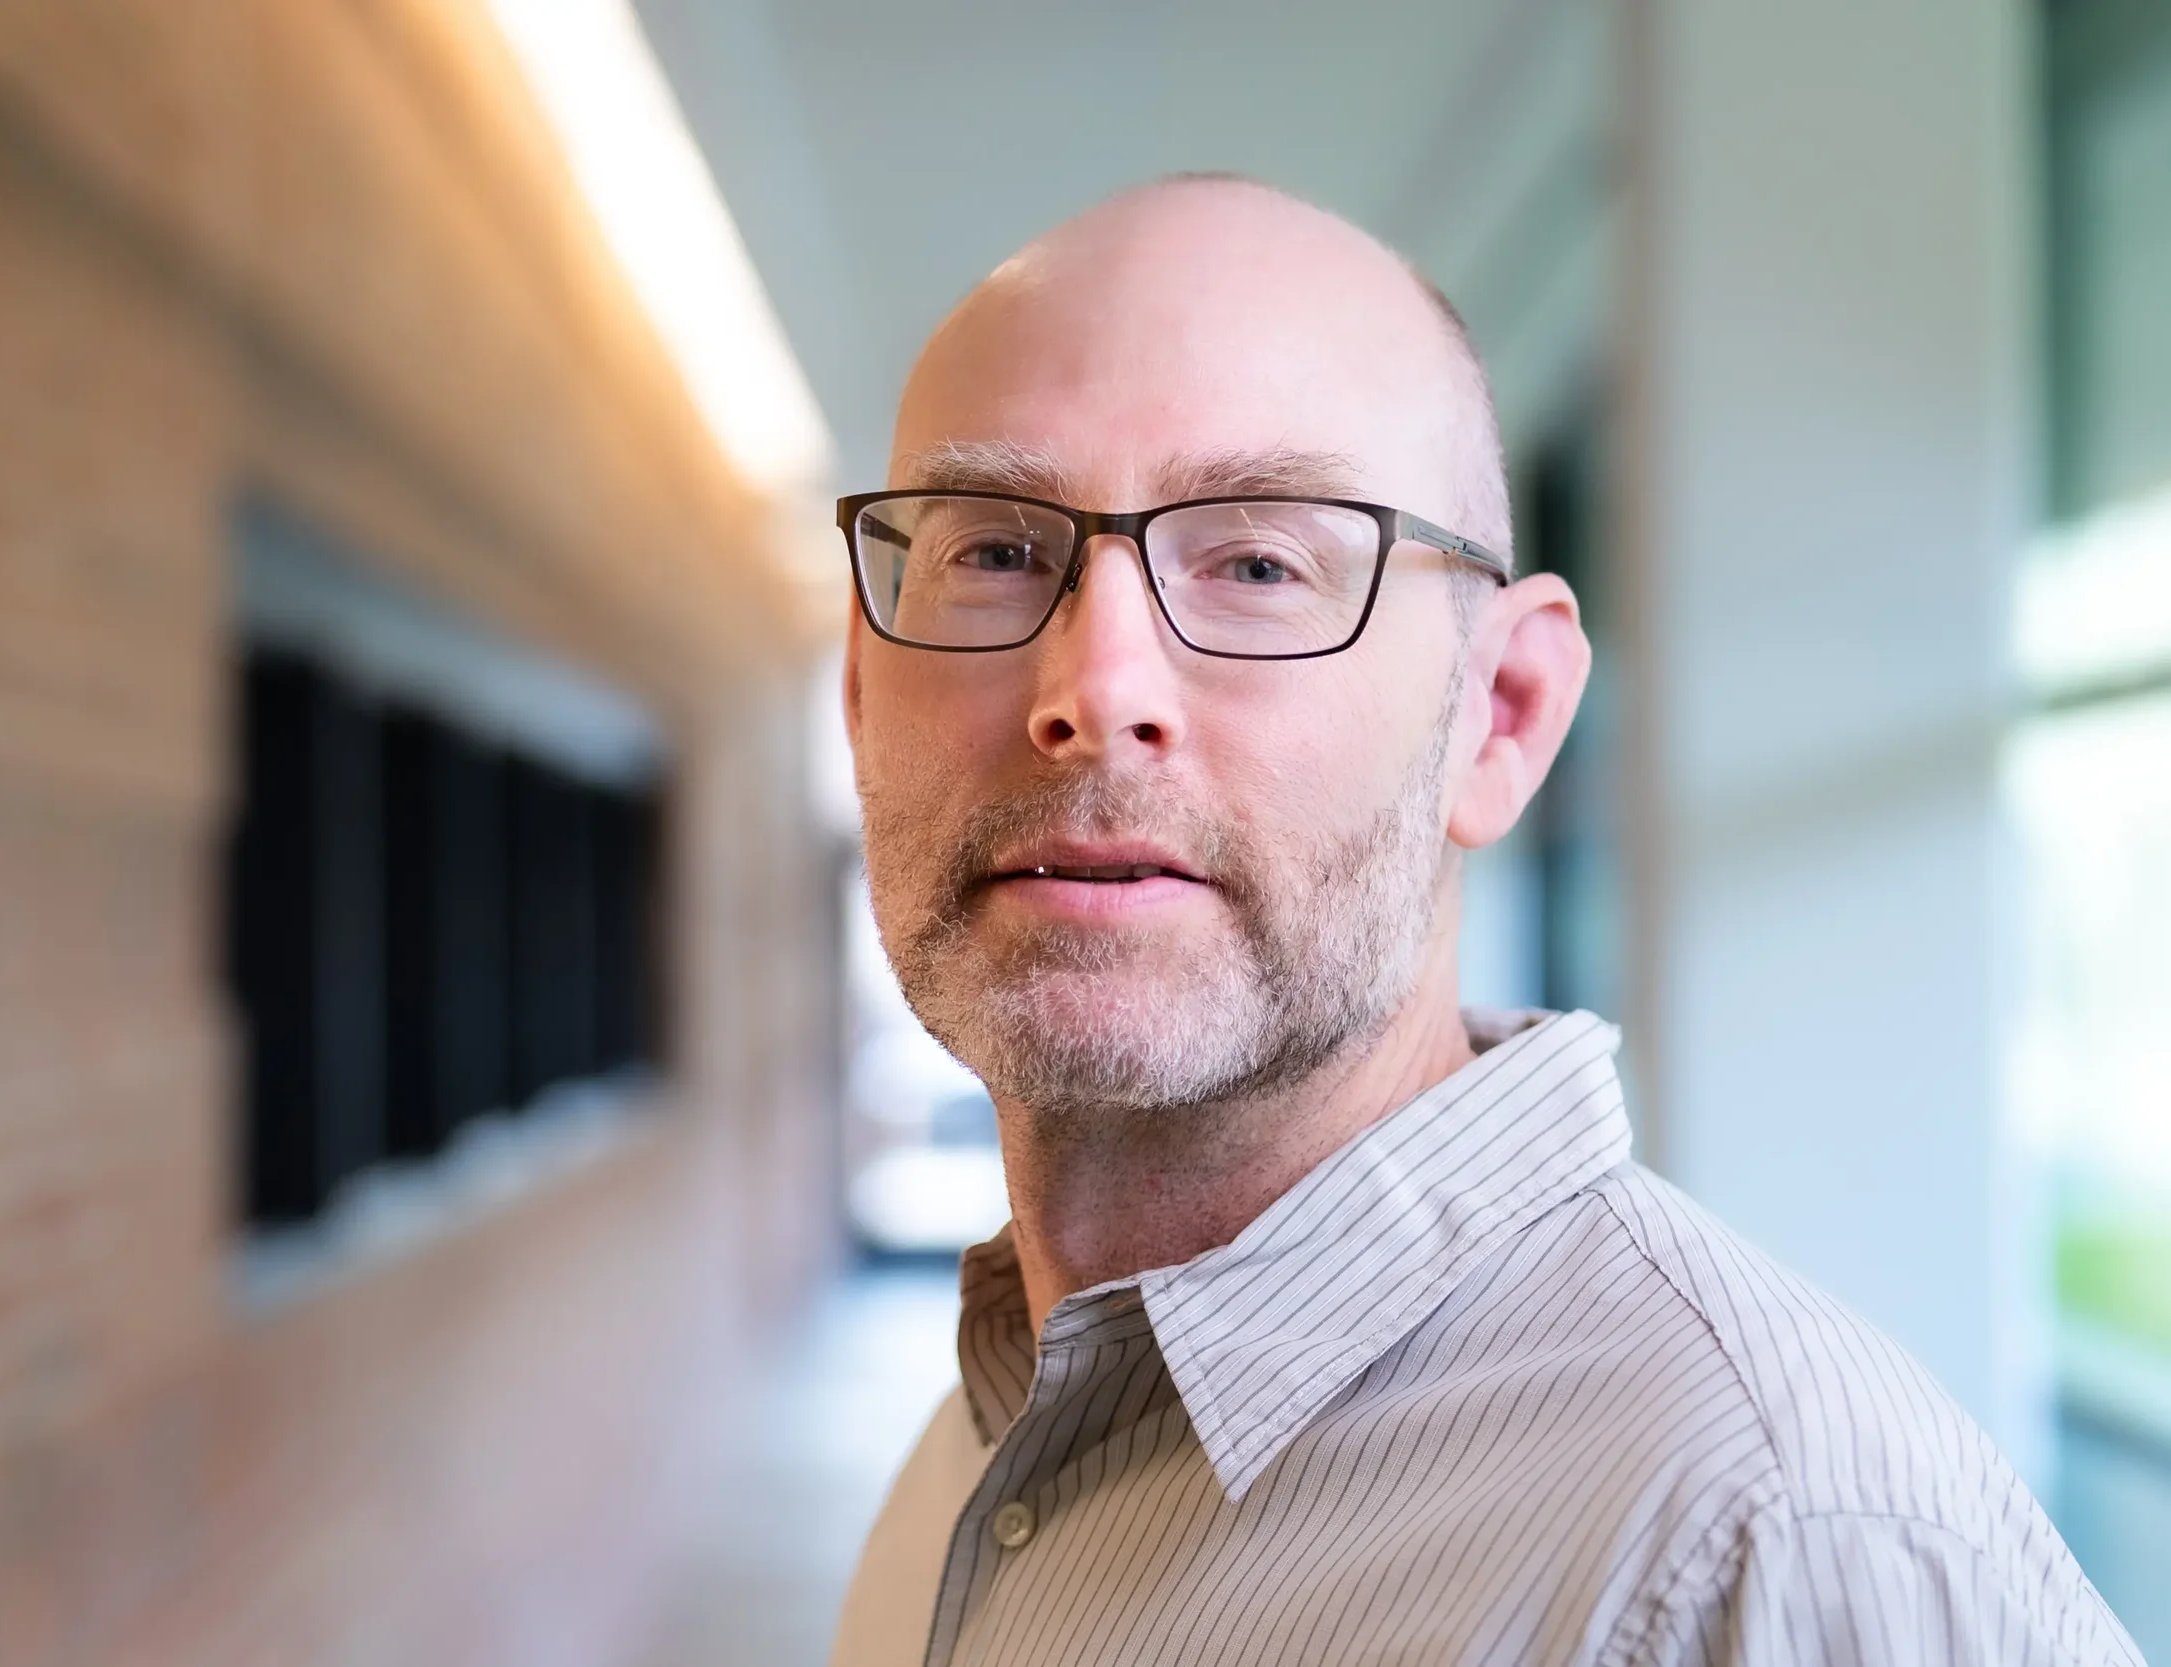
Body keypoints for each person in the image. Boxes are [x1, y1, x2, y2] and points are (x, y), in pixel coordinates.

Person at [826, 176, 2139, 1667]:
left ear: (1501, 716)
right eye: (994, 552)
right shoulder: (989, 1445)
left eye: (1260, 562)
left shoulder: (1779, 1548)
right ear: (865, 703)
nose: (1094, 687)